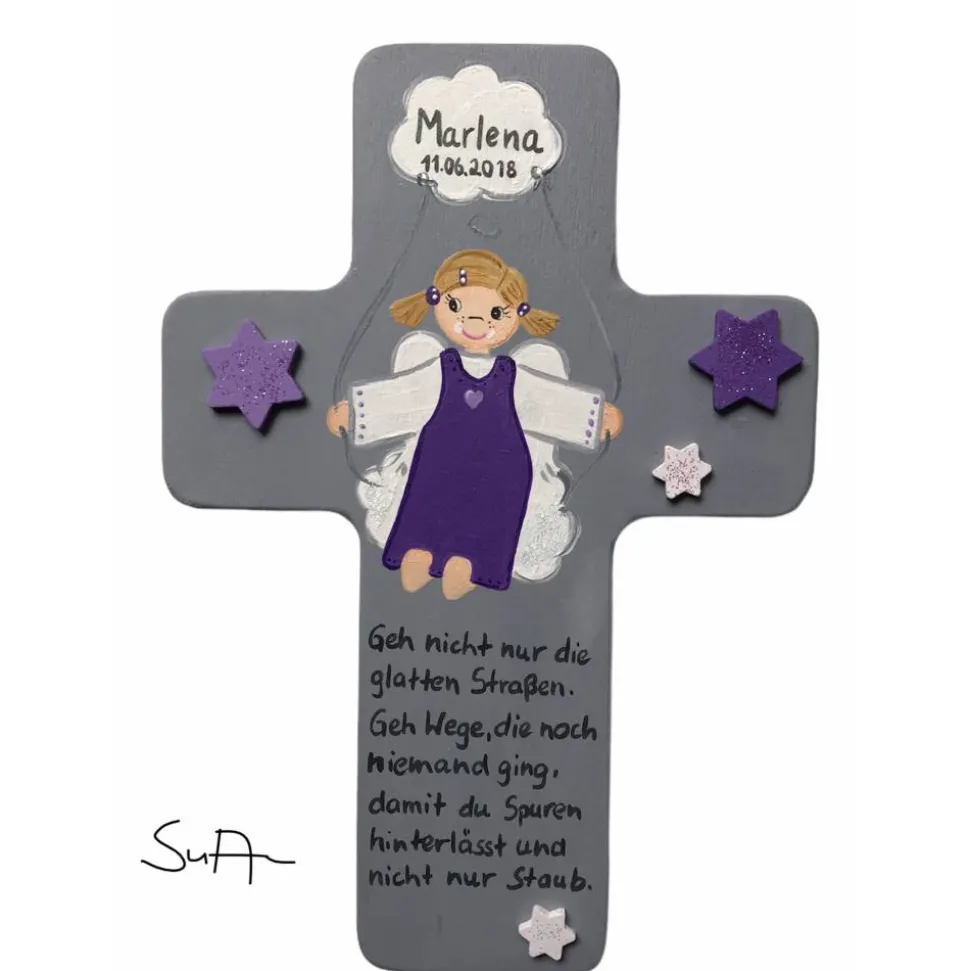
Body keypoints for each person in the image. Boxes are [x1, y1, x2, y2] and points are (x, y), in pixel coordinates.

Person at [327, 249, 623, 600]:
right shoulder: (436, 372)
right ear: (437, 302)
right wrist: (356, 414)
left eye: (496, 314)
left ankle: (472, 565)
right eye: (457, 307)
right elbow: (403, 399)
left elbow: (549, 404)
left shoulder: (517, 378)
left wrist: (594, 418)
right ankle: (421, 550)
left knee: (483, 523)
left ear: (517, 315)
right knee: (429, 508)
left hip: (498, 472)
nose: (476, 323)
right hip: (440, 466)